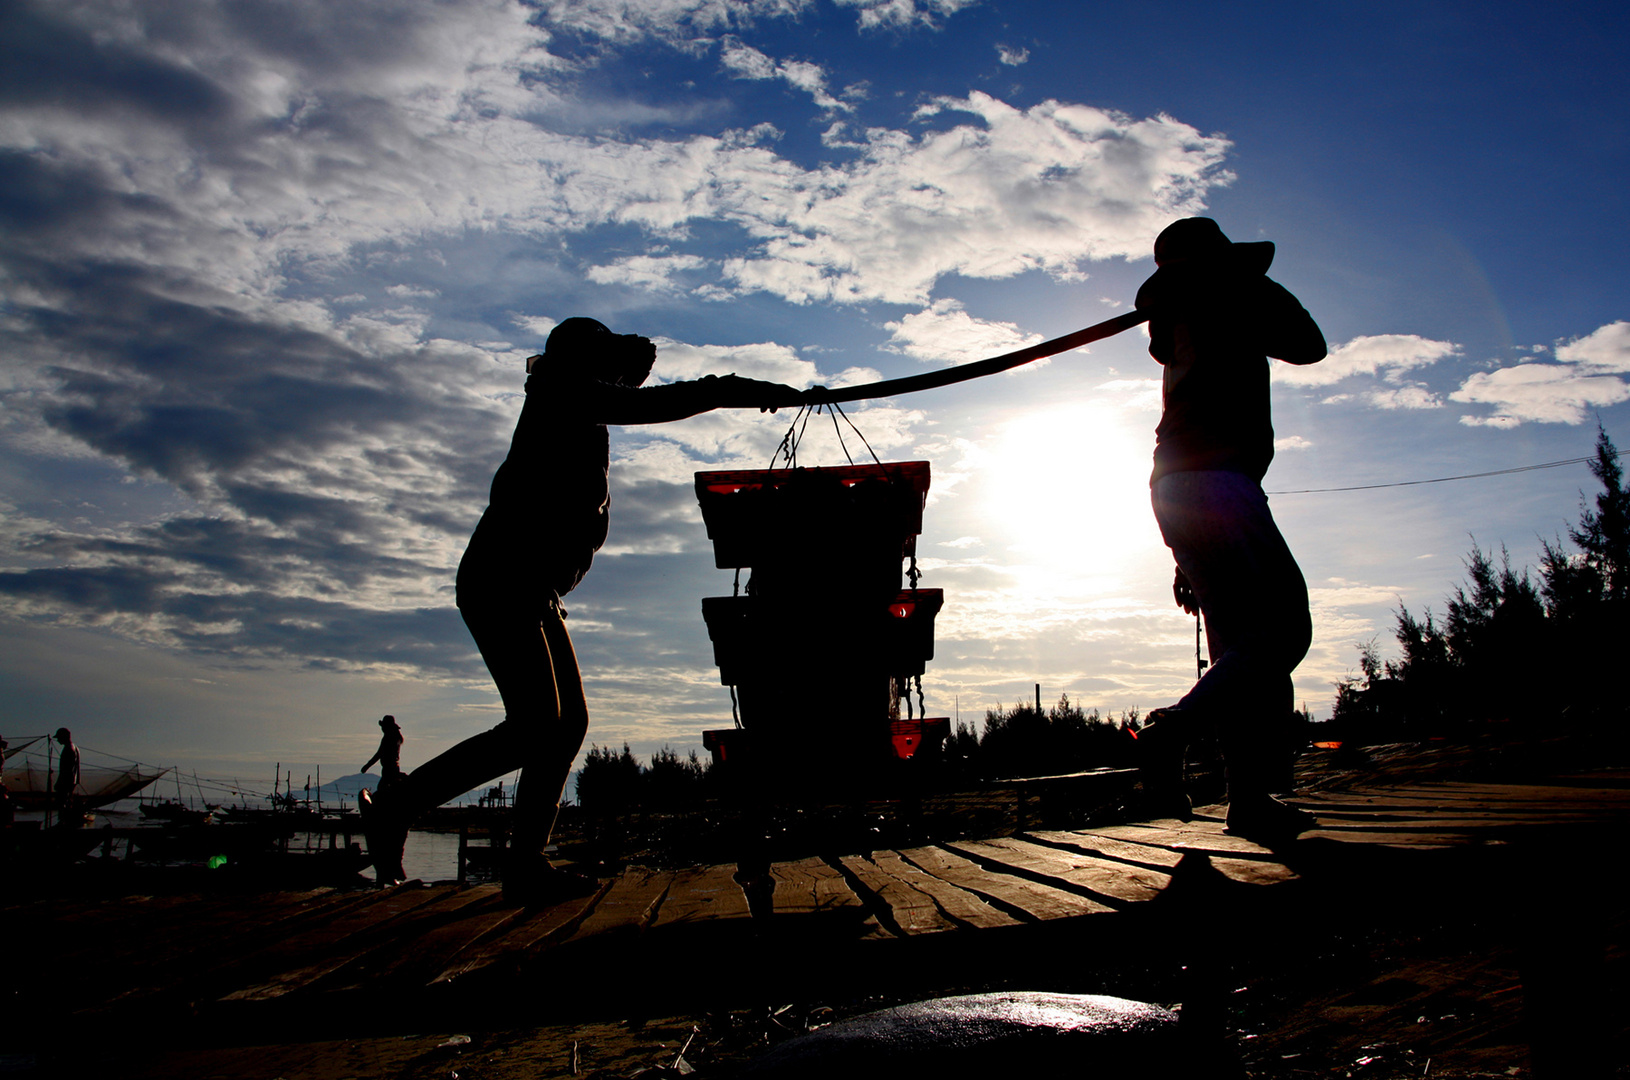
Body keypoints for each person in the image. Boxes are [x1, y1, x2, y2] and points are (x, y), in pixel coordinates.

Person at [361, 318, 802, 898]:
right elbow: (653, 402)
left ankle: (522, 865)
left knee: (565, 725)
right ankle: (400, 805)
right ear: (582, 358)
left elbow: (634, 387)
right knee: (535, 726)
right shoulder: (560, 390)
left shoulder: (580, 398)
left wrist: (723, 389)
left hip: (531, 587)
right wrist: (730, 389)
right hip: (503, 580)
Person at [1132, 217, 1327, 843]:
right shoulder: (1233, 295)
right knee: (1283, 629)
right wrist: (1251, 279)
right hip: (1218, 480)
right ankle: (1174, 730)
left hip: (1177, 487)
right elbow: (1309, 343)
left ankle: (1248, 800)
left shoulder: (1179, 314)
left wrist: (1185, 556)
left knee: (1240, 653)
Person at [361, 715, 404, 792]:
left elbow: (379, 753)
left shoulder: (388, 738)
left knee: (382, 789)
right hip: (393, 767)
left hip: (389, 768)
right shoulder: (396, 737)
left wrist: (367, 766)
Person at [54, 727, 80, 825]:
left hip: (67, 781)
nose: (57, 740)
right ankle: (65, 822)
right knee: (67, 802)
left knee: (62, 802)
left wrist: (59, 782)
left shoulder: (69, 749)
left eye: (59, 737)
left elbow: (66, 769)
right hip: (71, 780)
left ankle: (63, 822)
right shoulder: (74, 747)